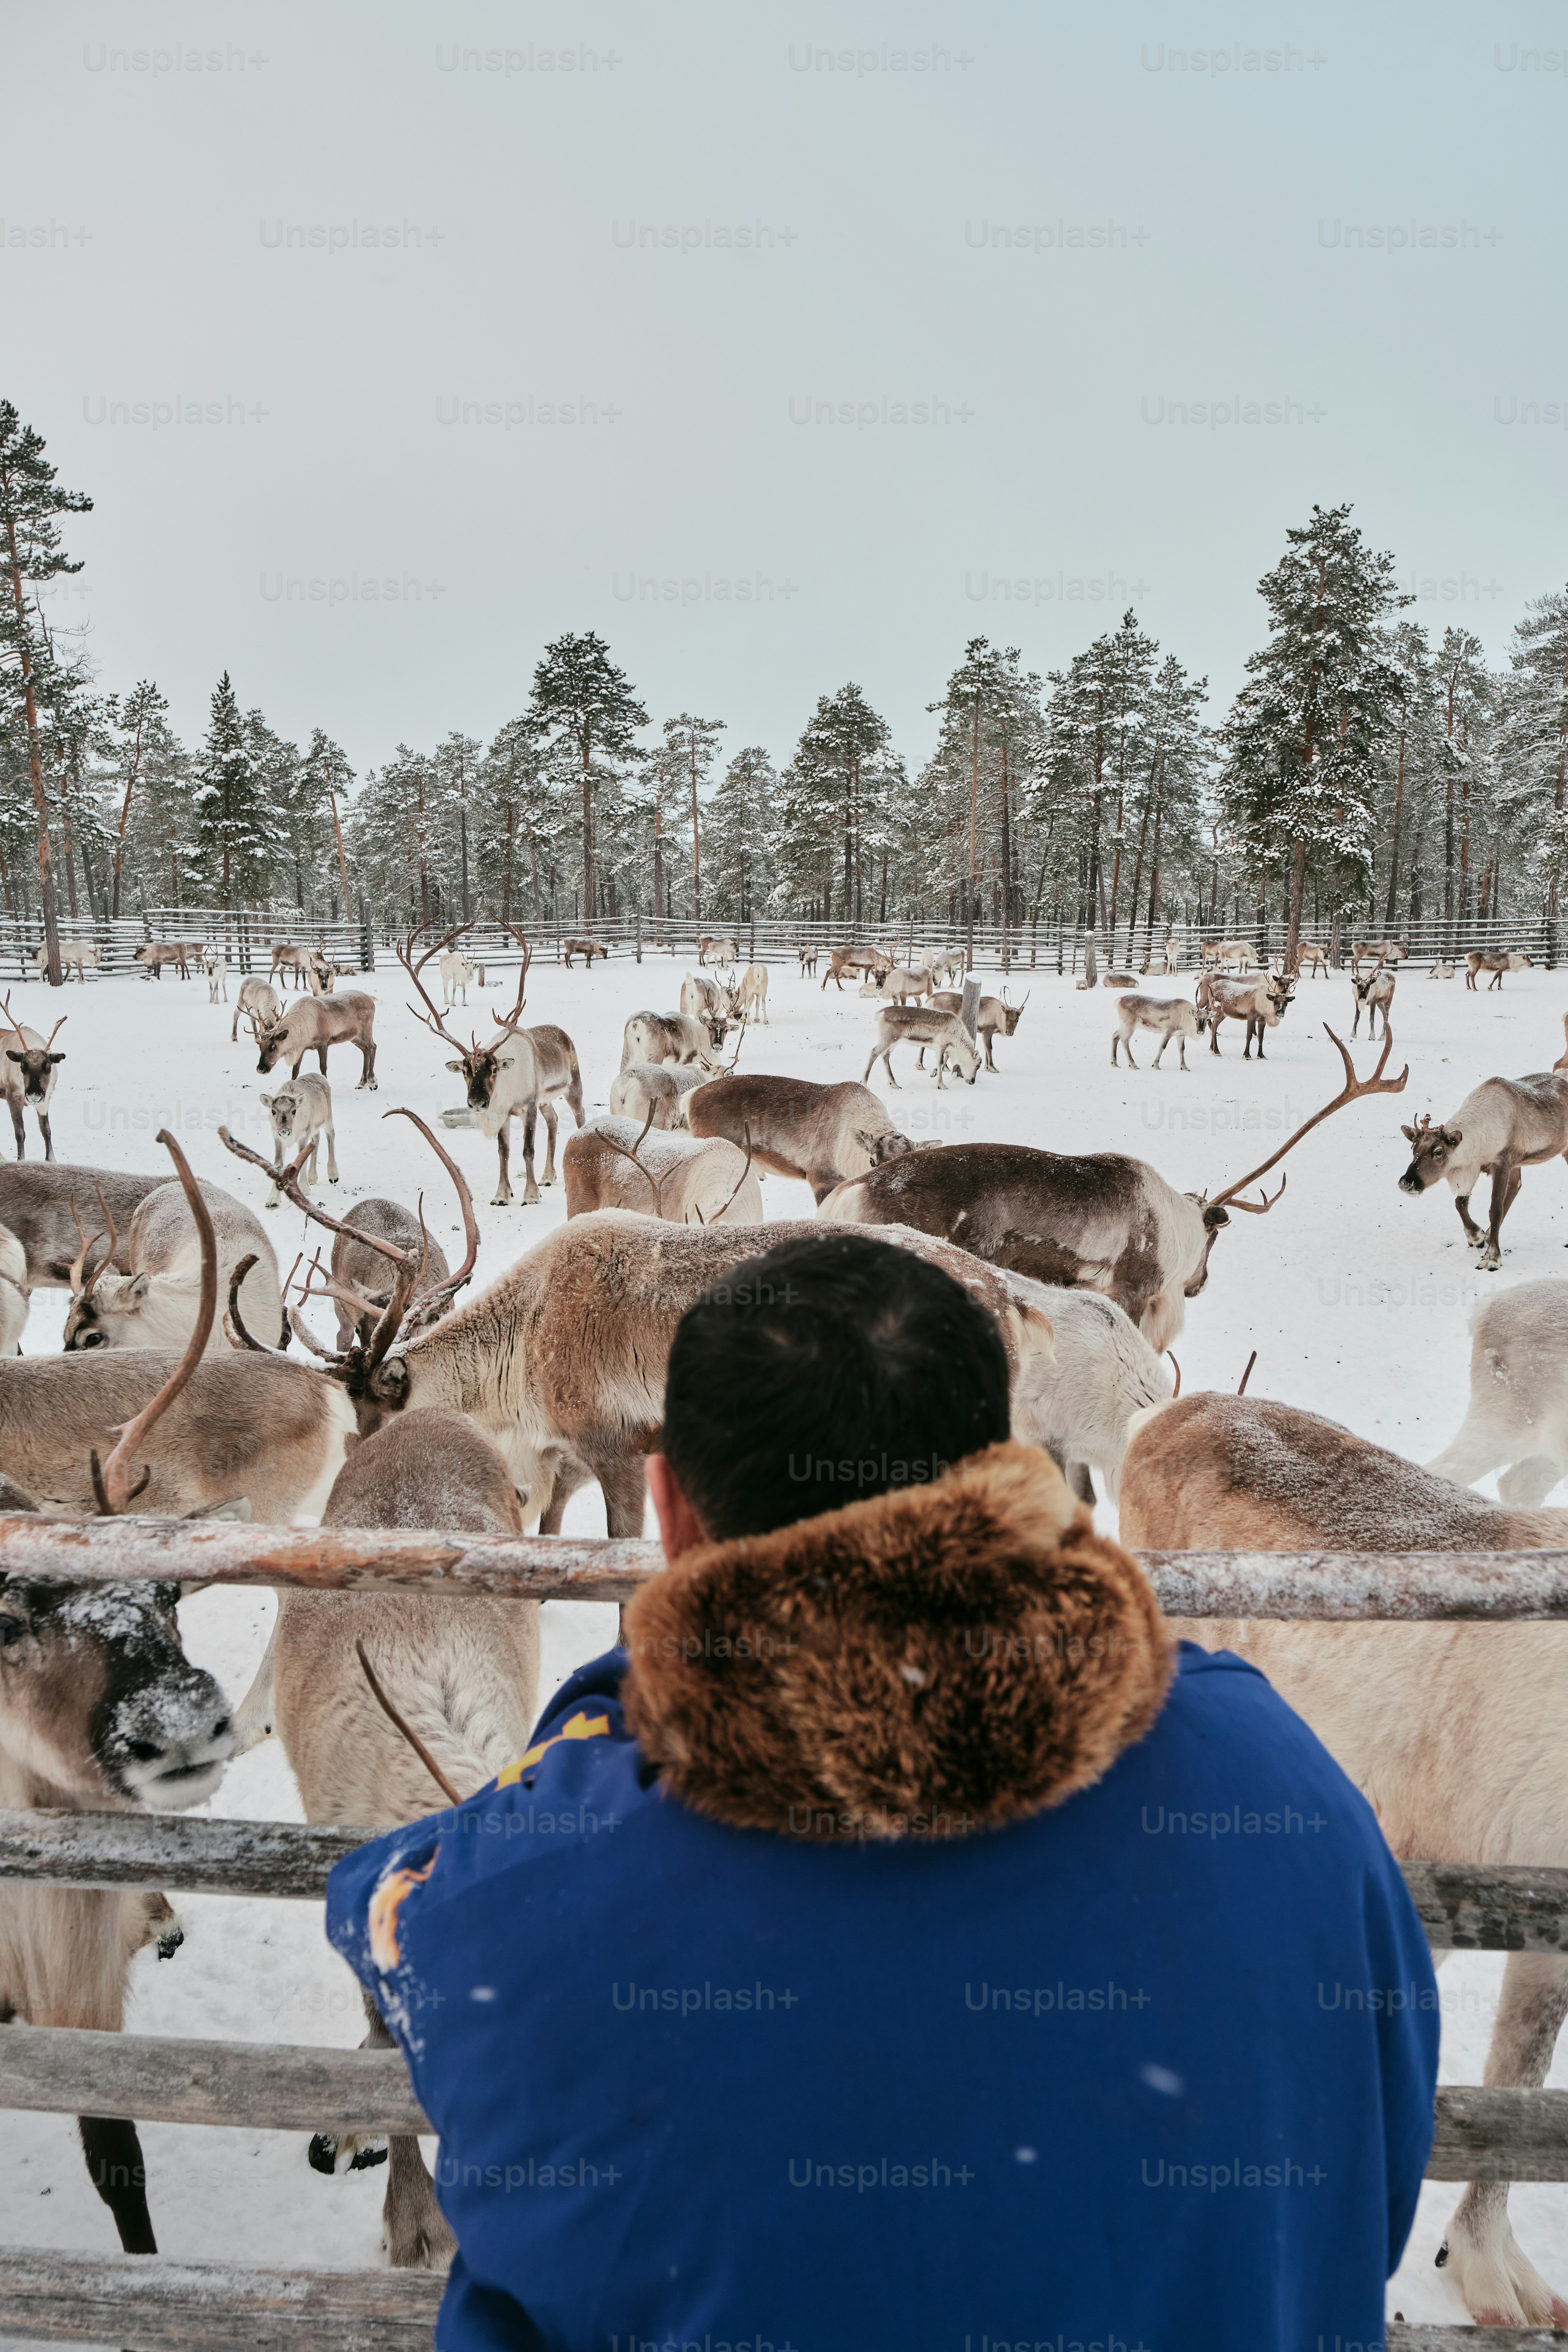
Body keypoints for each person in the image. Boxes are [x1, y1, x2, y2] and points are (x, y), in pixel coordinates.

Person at [327, 1231, 1437, 2351]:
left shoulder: (536, 1895)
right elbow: (1374, 2194)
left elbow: (395, 1920)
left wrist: (621, 1705)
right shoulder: (1279, 1779)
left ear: (666, 1511)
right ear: (1008, 1467)